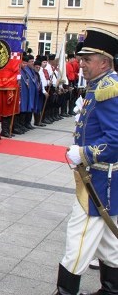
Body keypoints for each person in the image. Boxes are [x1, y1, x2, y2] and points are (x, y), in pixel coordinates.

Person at [54, 27, 118, 295]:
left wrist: (84, 153)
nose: (82, 64)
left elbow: (115, 140)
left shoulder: (109, 89)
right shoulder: (99, 86)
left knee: (78, 239)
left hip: (100, 180)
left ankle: (65, 292)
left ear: (104, 61)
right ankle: (112, 288)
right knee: (108, 244)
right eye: (81, 59)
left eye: (87, 59)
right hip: (101, 180)